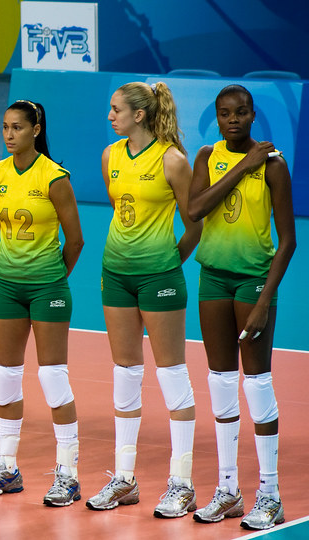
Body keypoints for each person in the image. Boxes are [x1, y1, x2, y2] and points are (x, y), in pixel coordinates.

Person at [85, 82, 202, 518]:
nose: (109, 116)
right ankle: (124, 478)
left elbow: (194, 223)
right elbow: (120, 208)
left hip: (160, 277)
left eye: (116, 110)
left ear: (139, 115)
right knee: (125, 372)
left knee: (171, 373)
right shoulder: (110, 155)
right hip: (114, 274)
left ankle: (182, 482)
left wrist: (170, 262)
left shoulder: (173, 160)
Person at [188, 85, 296, 531]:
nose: (233, 119)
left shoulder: (273, 166)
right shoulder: (206, 157)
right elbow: (195, 210)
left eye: (241, 112)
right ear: (217, 117)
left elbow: (289, 240)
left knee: (258, 385)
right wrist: (240, 167)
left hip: (252, 281)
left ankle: (270, 495)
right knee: (219, 384)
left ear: (254, 116)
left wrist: (264, 301)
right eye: (224, 113)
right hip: (212, 277)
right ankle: (228, 488)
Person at [0, 100, 84, 506]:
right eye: (4, 127)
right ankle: (6, 466)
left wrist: (52, 280)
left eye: (17, 127)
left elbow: (75, 240)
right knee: (5, 376)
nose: (8, 134)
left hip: (47, 288)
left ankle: (68, 474)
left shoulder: (54, 178)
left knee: (53, 378)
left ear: (36, 130)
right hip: (6, 289)